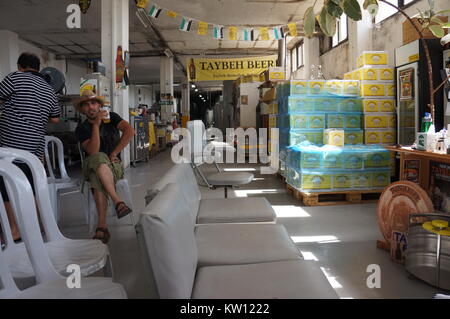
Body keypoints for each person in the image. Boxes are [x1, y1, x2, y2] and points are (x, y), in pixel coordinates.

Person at [0, 52, 60, 243]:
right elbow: (55, 118)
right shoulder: (49, 88)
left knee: (5, 184)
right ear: (38, 67)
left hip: (12, 145)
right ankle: (40, 225)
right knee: (30, 186)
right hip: (35, 148)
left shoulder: (14, 78)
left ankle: (14, 229)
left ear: (20, 66)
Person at [75, 90, 135, 244]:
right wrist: (96, 126)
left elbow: (130, 131)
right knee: (98, 158)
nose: (91, 107)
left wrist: (115, 152)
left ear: (100, 105)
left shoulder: (112, 117)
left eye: (94, 103)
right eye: (86, 105)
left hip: (113, 166)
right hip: (92, 165)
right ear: (82, 109)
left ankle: (102, 226)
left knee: (98, 175)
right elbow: (93, 151)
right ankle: (118, 201)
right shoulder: (81, 128)